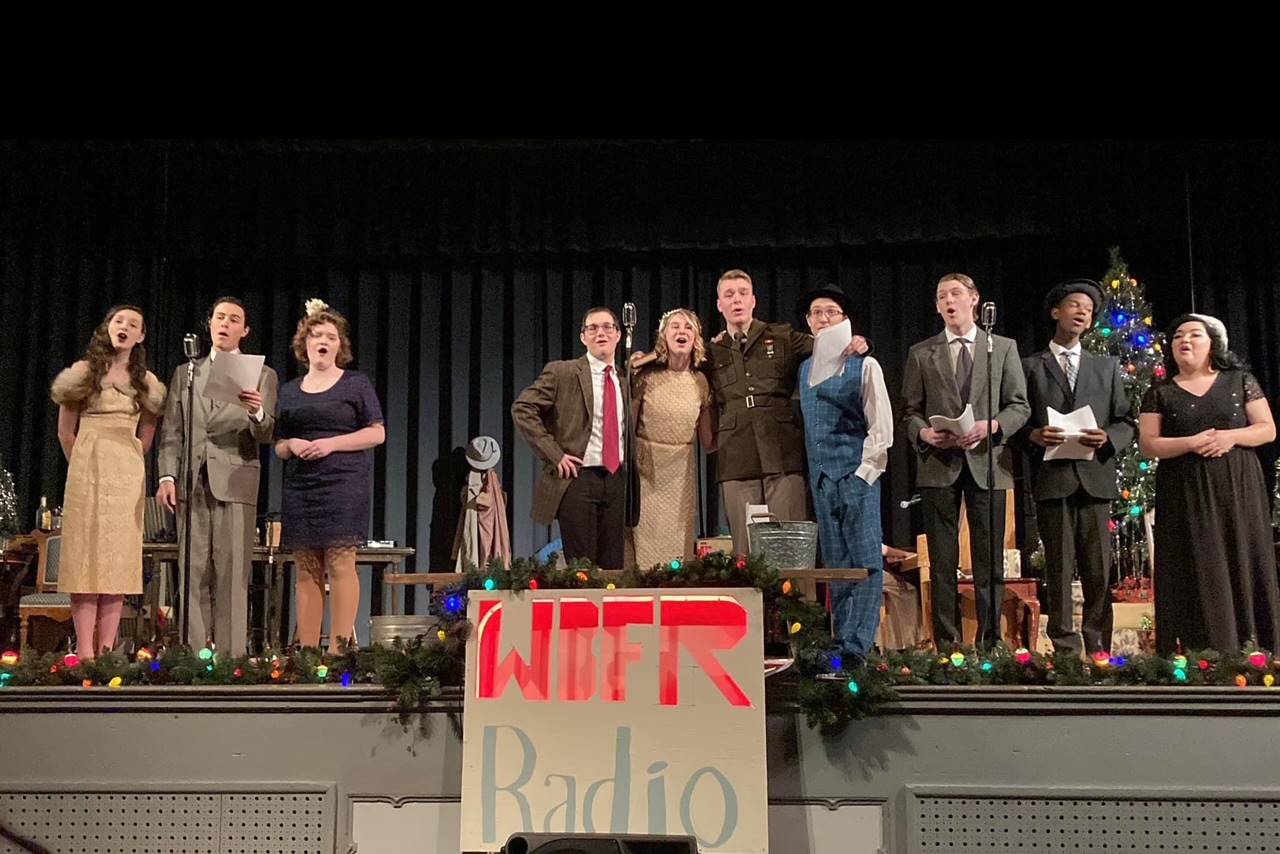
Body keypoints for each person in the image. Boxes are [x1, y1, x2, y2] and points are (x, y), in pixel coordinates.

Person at [901, 273, 1029, 649]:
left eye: (955, 293)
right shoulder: (921, 353)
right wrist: (923, 433)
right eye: (941, 296)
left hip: (987, 463)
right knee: (942, 562)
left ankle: (990, 644)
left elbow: (1019, 405)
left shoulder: (1001, 348)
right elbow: (910, 411)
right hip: (939, 464)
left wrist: (993, 425)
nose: (948, 301)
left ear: (974, 299)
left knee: (989, 561)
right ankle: (948, 646)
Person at [1138, 313, 1279, 654]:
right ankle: (1201, 651)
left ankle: (1253, 649)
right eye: (1177, 336)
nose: (1184, 340)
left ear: (1213, 343)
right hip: (1184, 489)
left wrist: (1229, 437)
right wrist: (1191, 443)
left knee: (1241, 555)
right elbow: (1149, 444)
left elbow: (1267, 429)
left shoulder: (1240, 380)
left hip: (1237, 486)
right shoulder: (1160, 391)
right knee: (1196, 562)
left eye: (1194, 334)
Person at [706, 269, 867, 556]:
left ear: (753, 300)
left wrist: (858, 342)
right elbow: (676, 358)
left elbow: (828, 345)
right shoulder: (712, 350)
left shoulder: (781, 336)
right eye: (729, 295)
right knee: (746, 551)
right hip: (736, 456)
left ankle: (794, 603)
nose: (736, 300)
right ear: (719, 304)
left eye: (743, 293)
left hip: (782, 452)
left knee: (789, 546)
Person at [156, 297, 278, 655]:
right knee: (193, 572)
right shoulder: (186, 373)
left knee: (231, 574)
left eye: (234, 319)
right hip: (192, 481)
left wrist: (256, 413)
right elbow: (172, 432)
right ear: (209, 325)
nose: (225, 323)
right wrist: (166, 476)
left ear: (245, 330)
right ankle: (193, 657)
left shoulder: (262, 374)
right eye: (220, 317)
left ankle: (231, 659)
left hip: (235, 479)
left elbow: (267, 432)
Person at [1021, 279, 1134, 656]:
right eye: (1074, 304)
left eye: (1088, 308)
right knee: (1058, 567)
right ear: (1056, 312)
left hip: (1094, 478)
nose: (1082, 311)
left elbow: (1125, 420)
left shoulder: (1106, 367)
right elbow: (1016, 421)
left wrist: (1108, 437)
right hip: (1053, 479)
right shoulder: (1030, 366)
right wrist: (1035, 435)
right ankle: (1066, 649)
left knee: (1099, 569)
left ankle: (1099, 647)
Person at [50, 305, 166, 659]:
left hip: (125, 477)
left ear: (141, 336)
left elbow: (146, 437)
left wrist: (126, 463)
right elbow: (65, 432)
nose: (125, 328)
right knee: (85, 559)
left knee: (117, 562)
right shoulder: (83, 375)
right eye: (119, 321)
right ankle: (84, 653)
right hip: (87, 471)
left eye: (133, 324)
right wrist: (86, 462)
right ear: (108, 328)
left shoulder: (145, 382)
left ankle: (106, 651)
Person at [274, 300, 385, 652]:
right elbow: (277, 443)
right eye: (316, 335)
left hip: (343, 482)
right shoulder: (289, 390)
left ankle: (339, 651)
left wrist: (331, 444)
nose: (323, 340)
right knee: (305, 568)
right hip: (300, 485)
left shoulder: (355, 384)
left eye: (331, 336)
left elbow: (377, 433)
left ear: (341, 346)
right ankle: (307, 653)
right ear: (304, 344)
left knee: (339, 564)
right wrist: (290, 443)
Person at [797, 285, 893, 665]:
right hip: (822, 478)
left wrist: (863, 475)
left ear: (844, 319)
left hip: (857, 475)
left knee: (865, 561)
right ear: (809, 322)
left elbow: (880, 426)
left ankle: (859, 645)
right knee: (837, 563)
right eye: (817, 313)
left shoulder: (864, 364)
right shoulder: (805, 368)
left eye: (831, 312)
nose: (823, 318)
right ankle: (841, 639)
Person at [512, 307, 629, 569]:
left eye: (608, 327)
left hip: (616, 479)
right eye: (593, 328)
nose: (601, 333)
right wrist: (555, 454)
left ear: (618, 335)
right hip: (578, 478)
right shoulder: (563, 372)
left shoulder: (625, 379)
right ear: (583, 337)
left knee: (614, 566)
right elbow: (522, 408)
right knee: (582, 568)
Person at [625, 308, 716, 569]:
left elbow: (708, 441)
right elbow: (627, 429)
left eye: (688, 328)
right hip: (646, 472)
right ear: (663, 336)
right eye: (675, 326)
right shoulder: (646, 376)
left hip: (680, 473)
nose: (681, 332)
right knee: (643, 542)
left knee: (676, 546)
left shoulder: (701, 382)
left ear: (696, 338)